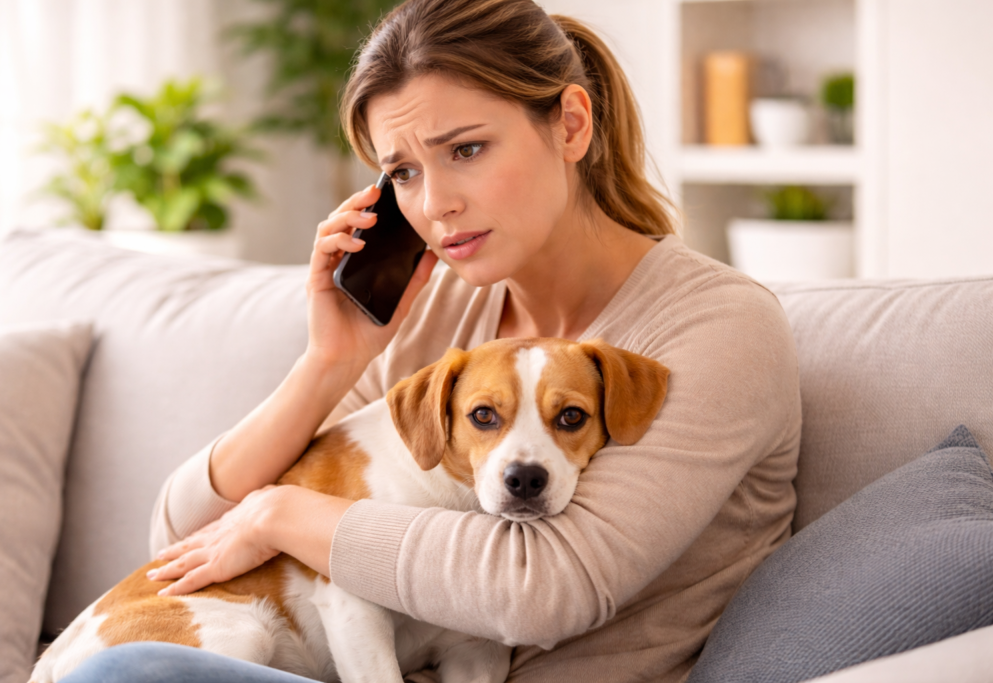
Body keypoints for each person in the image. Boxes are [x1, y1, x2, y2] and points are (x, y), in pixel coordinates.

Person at [63, 0, 801, 681]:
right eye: (404, 172)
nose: (435, 203)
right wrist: (331, 362)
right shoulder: (437, 307)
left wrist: (278, 514)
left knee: (125, 676)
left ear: (571, 125)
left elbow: (540, 590)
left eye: (468, 149)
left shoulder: (716, 325)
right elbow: (180, 541)